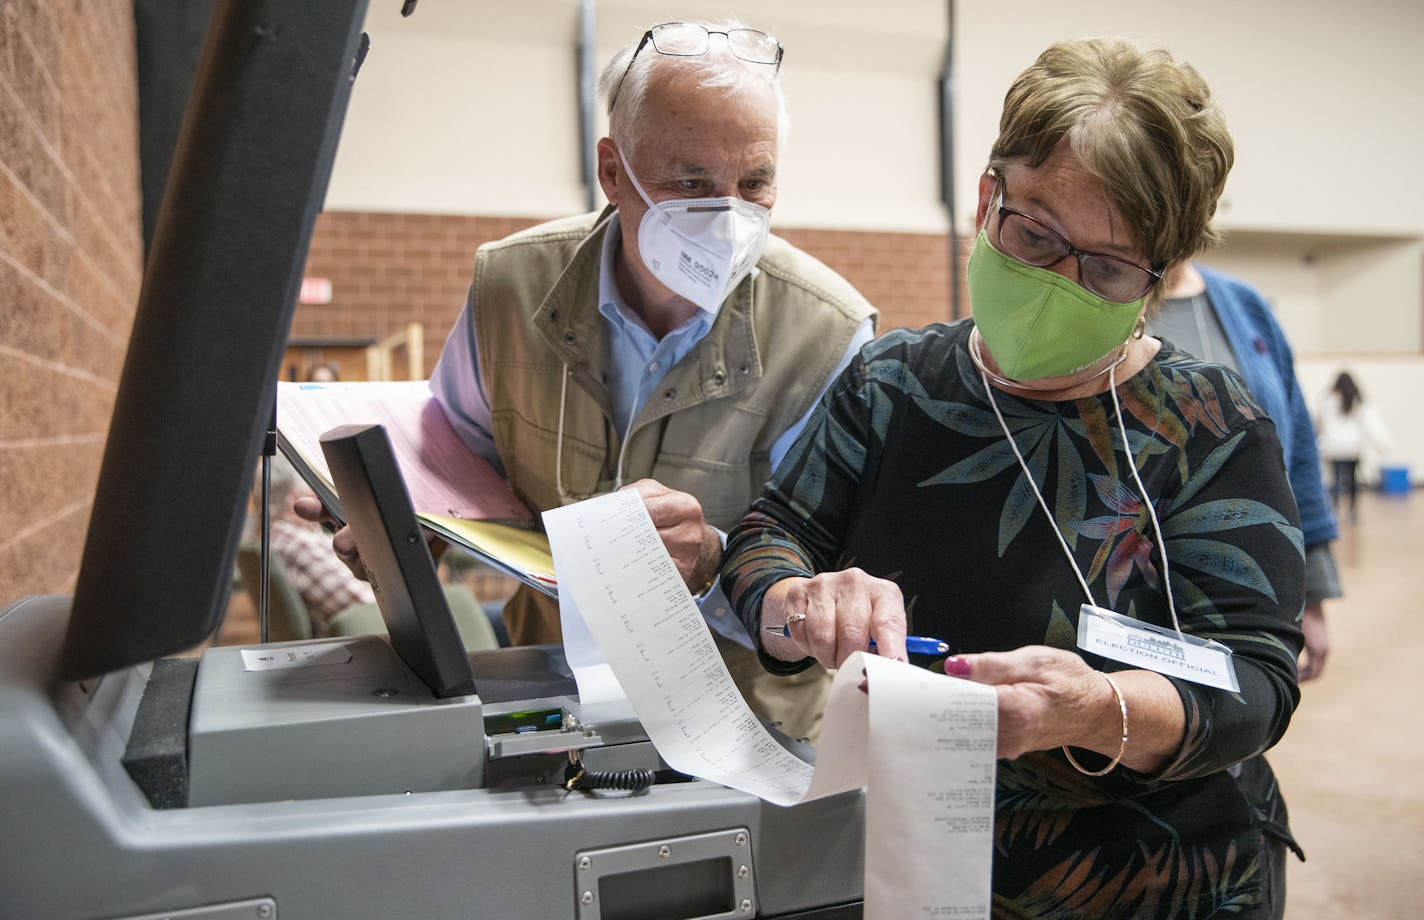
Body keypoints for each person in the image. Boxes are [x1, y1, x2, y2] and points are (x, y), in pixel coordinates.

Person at [722, 38, 1304, 916]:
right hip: (907, 861)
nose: (1051, 281)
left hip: (1158, 882)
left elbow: (1255, 680)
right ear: (987, 197)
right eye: (1033, 232)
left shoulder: (1210, 429)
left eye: (1105, 266)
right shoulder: (894, 385)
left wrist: (1094, 708)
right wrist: (797, 600)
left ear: (1160, 279)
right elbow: (768, 536)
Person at [299, 19, 876, 743]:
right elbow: (458, 461)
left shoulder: (827, 334)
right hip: (546, 700)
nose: (727, 214)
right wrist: (406, 526)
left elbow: (826, 577)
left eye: (754, 182)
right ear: (613, 169)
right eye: (691, 181)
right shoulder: (511, 287)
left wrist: (717, 562)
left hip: (740, 724)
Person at [1153, 264, 1339, 679]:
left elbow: (1297, 447)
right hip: (1141, 596)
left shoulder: (1244, 302)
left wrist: (1312, 592)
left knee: (1248, 726)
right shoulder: (1099, 295)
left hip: (1254, 591)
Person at [252, 456, 374, 636]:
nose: (317, 496)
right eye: (312, 490)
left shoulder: (274, 537)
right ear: (295, 499)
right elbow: (360, 603)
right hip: (359, 640)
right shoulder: (297, 543)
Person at [1316, 370, 1390, 522]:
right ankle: (1353, 511)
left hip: (1334, 446)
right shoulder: (1358, 400)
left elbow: (1320, 422)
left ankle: (1334, 509)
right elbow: (1371, 424)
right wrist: (1382, 443)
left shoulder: (1328, 400)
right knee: (1353, 480)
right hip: (1353, 447)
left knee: (1336, 480)